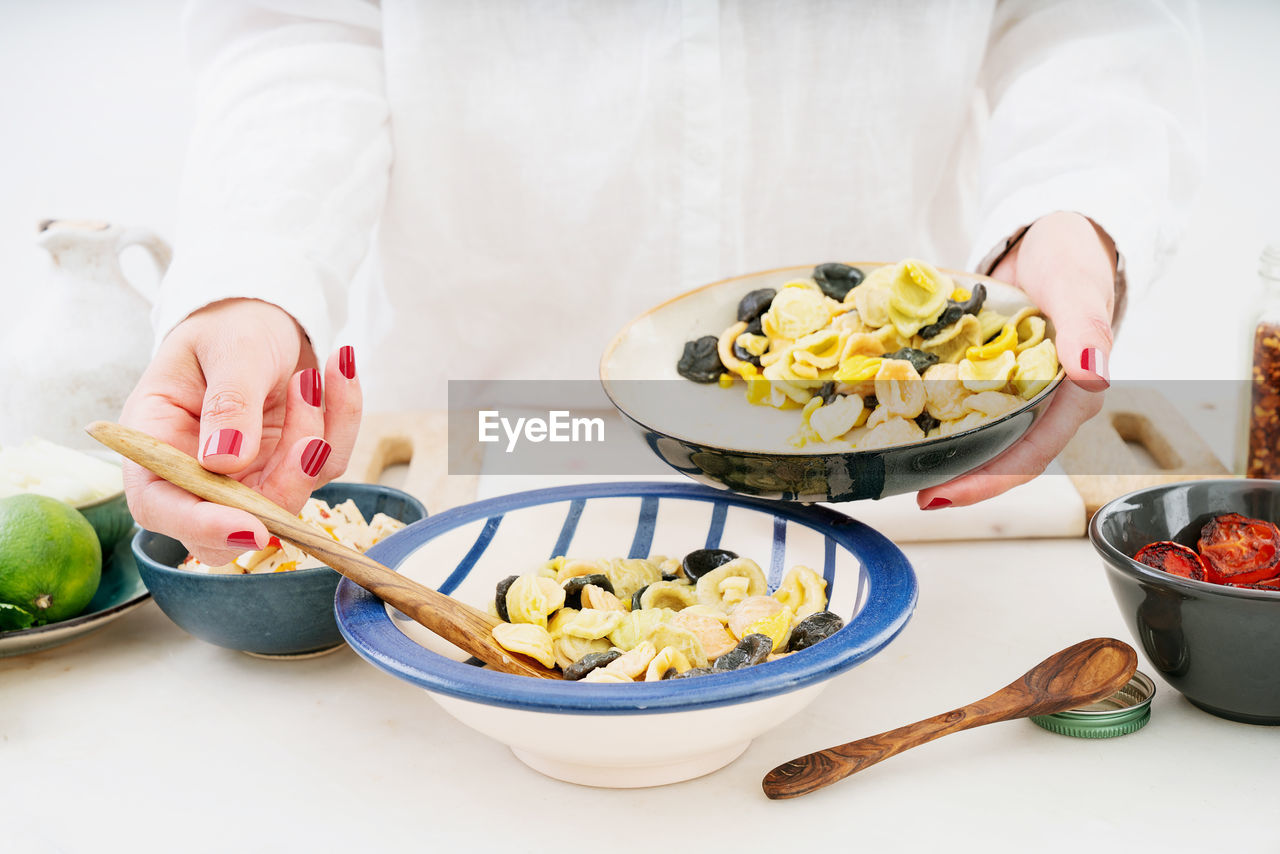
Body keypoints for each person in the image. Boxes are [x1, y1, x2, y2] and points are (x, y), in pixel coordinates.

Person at [121, 0, 1204, 565]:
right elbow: (304, 26)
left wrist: (1070, 210)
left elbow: (1086, 18)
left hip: (896, 461)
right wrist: (253, 277)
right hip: (501, 436)